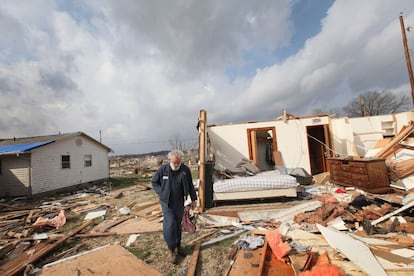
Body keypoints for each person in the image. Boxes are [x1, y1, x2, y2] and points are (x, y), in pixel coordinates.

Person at [151, 149, 197, 264]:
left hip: (179, 202)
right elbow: (154, 182)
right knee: (170, 223)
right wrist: (161, 192)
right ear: (170, 160)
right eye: (174, 162)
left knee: (177, 223)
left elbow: (190, 185)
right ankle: (171, 249)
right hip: (167, 202)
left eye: (178, 162)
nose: (176, 164)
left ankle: (178, 246)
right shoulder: (163, 170)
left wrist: (194, 199)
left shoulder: (185, 170)